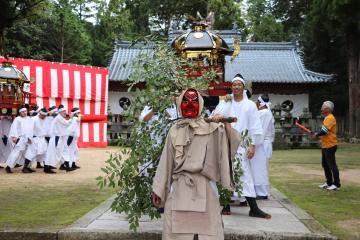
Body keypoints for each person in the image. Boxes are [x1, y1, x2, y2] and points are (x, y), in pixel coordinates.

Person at [151, 88, 237, 240]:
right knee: (175, 233)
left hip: (205, 187)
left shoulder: (212, 128)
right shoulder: (174, 130)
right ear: (179, 104)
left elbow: (229, 146)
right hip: (179, 188)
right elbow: (166, 161)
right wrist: (159, 189)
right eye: (185, 100)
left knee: (209, 232)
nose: (190, 104)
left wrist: (225, 125)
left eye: (194, 100)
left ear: (201, 104)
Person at [212, 74, 271, 219]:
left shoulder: (250, 105)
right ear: (231, 87)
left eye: (239, 84)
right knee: (225, 172)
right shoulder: (227, 101)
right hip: (226, 142)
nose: (236, 87)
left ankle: (254, 208)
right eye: (234, 84)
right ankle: (225, 205)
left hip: (242, 145)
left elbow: (255, 126)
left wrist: (252, 145)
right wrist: (221, 109)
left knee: (244, 174)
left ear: (243, 87)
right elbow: (216, 115)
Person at [251, 94, 275, 199]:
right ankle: (259, 191)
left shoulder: (264, 113)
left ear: (261, 103)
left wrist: (254, 143)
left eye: (257, 102)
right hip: (261, 143)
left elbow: (261, 130)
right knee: (258, 168)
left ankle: (262, 192)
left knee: (259, 168)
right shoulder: (264, 113)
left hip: (261, 143)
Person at [316, 101, 340, 190]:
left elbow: (324, 131)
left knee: (332, 165)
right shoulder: (327, 118)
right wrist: (318, 135)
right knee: (325, 164)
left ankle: (336, 184)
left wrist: (317, 134)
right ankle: (329, 182)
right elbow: (325, 132)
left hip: (330, 145)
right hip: (325, 145)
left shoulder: (330, 118)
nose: (321, 109)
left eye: (323, 107)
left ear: (327, 109)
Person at [5, 106, 34, 173]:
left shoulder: (29, 119)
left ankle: (27, 167)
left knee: (28, 153)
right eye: (23, 112)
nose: (24, 113)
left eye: (25, 111)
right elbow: (14, 128)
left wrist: (29, 138)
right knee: (16, 153)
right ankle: (8, 167)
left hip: (27, 139)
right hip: (20, 139)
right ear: (20, 112)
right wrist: (14, 137)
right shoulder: (17, 119)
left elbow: (30, 129)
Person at [45, 105, 73, 173]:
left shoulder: (60, 117)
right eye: (64, 111)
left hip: (59, 138)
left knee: (61, 152)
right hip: (56, 138)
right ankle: (47, 168)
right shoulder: (58, 118)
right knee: (52, 153)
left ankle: (66, 166)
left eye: (65, 111)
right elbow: (66, 123)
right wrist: (71, 118)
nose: (65, 112)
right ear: (60, 112)